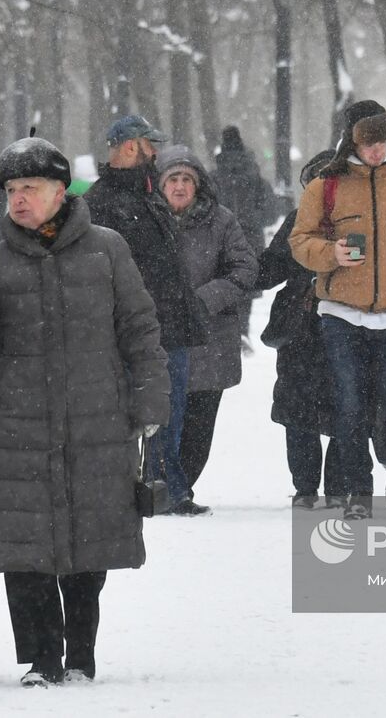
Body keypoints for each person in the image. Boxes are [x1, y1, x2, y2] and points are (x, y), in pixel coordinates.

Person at [0, 137, 169, 687]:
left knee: (88, 541)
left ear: (59, 192)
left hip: (96, 415)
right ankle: (41, 659)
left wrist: (149, 401)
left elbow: (139, 328)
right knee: (24, 546)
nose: (18, 199)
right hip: (17, 421)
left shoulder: (107, 248)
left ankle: (80, 655)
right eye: (10, 190)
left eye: (30, 188)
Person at [289, 100, 386, 520]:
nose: (376, 151)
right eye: (368, 142)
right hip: (341, 313)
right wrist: (331, 252)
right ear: (352, 140)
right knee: (349, 405)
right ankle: (360, 489)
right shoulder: (326, 186)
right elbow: (300, 241)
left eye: (382, 142)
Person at [81, 115, 209, 514]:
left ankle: (167, 486)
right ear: (132, 147)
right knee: (144, 413)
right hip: (138, 330)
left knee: (171, 412)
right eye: (149, 144)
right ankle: (153, 489)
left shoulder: (148, 195)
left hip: (169, 324)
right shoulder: (99, 203)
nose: (156, 153)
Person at [155, 145, 259, 506]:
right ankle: (164, 490)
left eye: (186, 179)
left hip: (209, 341)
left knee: (198, 427)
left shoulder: (221, 220)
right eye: (172, 179)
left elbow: (245, 269)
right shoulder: (147, 221)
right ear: (160, 184)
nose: (180, 186)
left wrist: (206, 298)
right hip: (162, 339)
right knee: (162, 421)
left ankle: (180, 489)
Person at [257, 149, 346, 510]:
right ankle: (306, 487)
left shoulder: (358, 221)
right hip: (300, 329)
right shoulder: (296, 220)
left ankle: (337, 487)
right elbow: (268, 270)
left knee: (346, 408)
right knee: (298, 411)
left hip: (344, 325)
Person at [213, 125, 275, 344]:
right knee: (246, 281)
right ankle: (243, 329)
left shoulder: (215, 175)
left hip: (221, 236)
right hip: (251, 236)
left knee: (225, 279)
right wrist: (254, 219)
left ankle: (229, 329)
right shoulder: (253, 174)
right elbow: (269, 209)